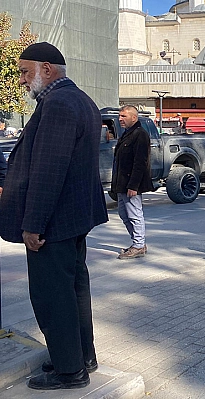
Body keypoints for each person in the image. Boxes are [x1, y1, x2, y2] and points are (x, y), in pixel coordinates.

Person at [0, 42, 108, 390]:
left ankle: (68, 370)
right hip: (73, 218)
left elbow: (48, 170)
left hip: (54, 224)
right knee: (74, 290)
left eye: (23, 71)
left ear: (46, 69)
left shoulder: (58, 104)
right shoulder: (80, 99)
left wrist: (33, 225)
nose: (19, 80)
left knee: (53, 297)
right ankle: (80, 357)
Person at [111, 105, 155, 259]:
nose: (120, 119)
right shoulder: (127, 134)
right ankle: (138, 242)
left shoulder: (140, 134)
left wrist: (133, 185)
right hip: (122, 184)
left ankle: (138, 244)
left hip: (130, 184)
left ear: (134, 117)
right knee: (124, 214)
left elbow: (140, 162)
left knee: (134, 214)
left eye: (123, 116)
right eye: (120, 116)